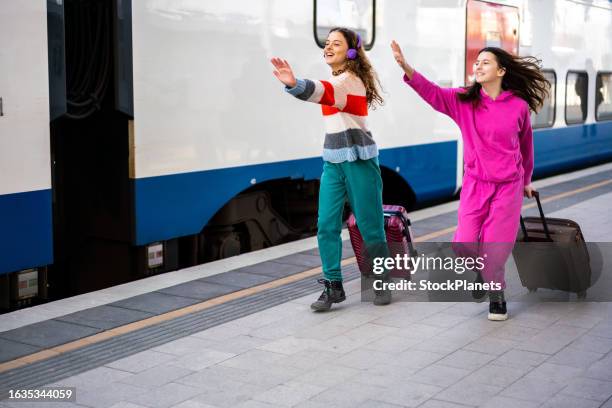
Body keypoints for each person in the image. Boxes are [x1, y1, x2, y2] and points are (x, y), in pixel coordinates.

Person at [391, 41, 550, 321]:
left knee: (496, 245)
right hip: (476, 184)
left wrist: (526, 179)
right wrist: (407, 68)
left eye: (485, 62)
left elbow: (526, 145)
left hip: (509, 186)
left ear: (501, 71)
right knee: (463, 244)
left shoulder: (518, 106)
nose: (478, 66)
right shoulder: (464, 100)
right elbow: (434, 94)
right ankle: (481, 269)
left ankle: (496, 294)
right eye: (476, 62)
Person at [271, 28, 391, 311]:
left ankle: (381, 279)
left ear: (351, 52)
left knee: (369, 226)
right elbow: (326, 91)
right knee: (326, 225)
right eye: (327, 43)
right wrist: (295, 84)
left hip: (360, 162)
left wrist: (295, 84)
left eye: (336, 43)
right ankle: (333, 286)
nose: (328, 47)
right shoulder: (337, 79)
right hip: (334, 162)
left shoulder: (350, 81)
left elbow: (323, 92)